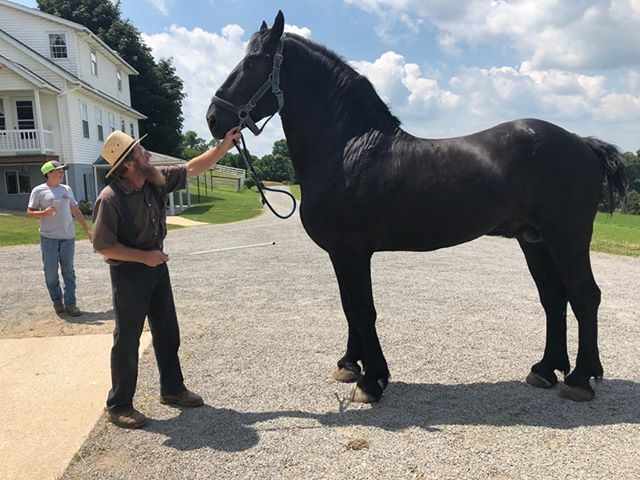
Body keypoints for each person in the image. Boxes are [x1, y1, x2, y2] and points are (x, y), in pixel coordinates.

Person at [92, 126, 241, 429]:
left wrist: (223, 147)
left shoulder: (153, 178)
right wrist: (143, 257)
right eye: (140, 151)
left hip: (156, 267)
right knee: (127, 339)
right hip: (129, 273)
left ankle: (172, 390)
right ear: (129, 164)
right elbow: (102, 245)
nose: (147, 153)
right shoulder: (110, 198)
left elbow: (191, 167)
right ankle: (119, 404)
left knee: (167, 331)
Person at [26, 161, 92, 316]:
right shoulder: (39, 191)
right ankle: (57, 300)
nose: (62, 173)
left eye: (62, 171)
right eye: (58, 171)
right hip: (48, 238)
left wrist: (87, 230)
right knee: (51, 272)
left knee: (69, 271)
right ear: (48, 173)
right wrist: (44, 213)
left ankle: (71, 304)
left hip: (68, 237)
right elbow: (29, 212)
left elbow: (75, 210)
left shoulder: (67, 189)